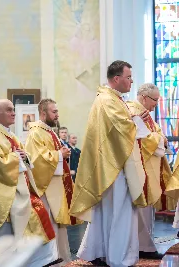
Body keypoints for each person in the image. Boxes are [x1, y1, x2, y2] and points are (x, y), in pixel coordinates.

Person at [70, 60, 152, 266]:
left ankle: (106, 253)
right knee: (119, 214)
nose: (132, 81)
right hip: (114, 168)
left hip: (115, 165)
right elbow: (120, 128)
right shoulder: (107, 100)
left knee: (112, 214)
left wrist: (133, 118)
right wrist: (135, 120)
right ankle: (119, 259)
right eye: (128, 77)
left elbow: (122, 125)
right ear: (116, 79)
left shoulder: (113, 99)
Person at [0, 99, 60, 267]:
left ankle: (38, 261)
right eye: (9, 110)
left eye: (13, 109)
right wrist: (17, 157)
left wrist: (25, 157)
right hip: (1, 194)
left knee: (37, 217)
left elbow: (25, 156)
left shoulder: (9, 134)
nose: (13, 113)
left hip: (17, 190)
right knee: (5, 238)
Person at [25, 98, 81, 266]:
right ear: (43, 113)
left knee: (58, 225)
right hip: (46, 189)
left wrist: (62, 153)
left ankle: (62, 259)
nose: (57, 114)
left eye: (57, 111)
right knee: (50, 222)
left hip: (55, 186)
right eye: (54, 111)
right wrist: (59, 155)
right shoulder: (36, 132)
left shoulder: (49, 131)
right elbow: (36, 159)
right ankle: (50, 261)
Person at [127, 83, 179, 259]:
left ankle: (145, 244)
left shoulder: (145, 113)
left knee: (147, 211)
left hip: (149, 167)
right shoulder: (134, 111)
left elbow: (154, 134)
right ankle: (143, 247)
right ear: (143, 97)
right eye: (155, 100)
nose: (156, 104)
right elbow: (142, 140)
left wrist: (160, 138)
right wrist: (160, 139)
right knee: (141, 210)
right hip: (140, 168)